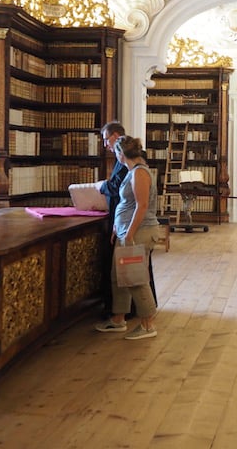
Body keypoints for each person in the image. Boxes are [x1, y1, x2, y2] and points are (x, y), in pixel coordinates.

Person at [96, 135, 162, 340]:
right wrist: (119, 226)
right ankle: (118, 319)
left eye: (116, 152)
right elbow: (129, 204)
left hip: (139, 232)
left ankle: (148, 325)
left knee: (135, 278)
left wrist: (130, 233)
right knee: (119, 277)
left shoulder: (139, 173)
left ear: (122, 154)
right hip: (127, 230)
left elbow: (141, 206)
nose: (115, 156)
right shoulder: (133, 171)